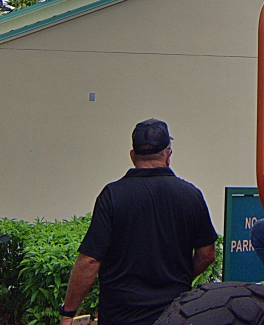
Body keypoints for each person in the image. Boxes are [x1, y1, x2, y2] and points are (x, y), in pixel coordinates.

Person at [59, 119, 217, 325]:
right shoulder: (191, 195)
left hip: (120, 315)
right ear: (168, 155)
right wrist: (179, 279)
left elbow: (90, 261)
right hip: (173, 315)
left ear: (132, 156)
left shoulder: (112, 195)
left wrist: (68, 313)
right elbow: (207, 254)